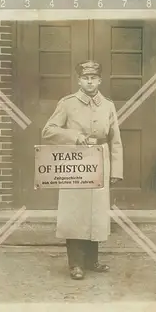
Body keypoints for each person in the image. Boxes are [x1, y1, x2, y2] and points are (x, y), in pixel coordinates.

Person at [42, 60, 123, 280]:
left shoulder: (108, 105)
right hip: (74, 162)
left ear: (99, 80)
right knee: (75, 211)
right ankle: (76, 264)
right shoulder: (67, 103)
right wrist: (76, 138)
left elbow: (115, 140)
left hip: (100, 160)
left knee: (96, 211)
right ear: (79, 80)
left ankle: (91, 260)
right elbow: (48, 131)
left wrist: (115, 169)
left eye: (93, 78)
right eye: (85, 78)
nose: (90, 82)